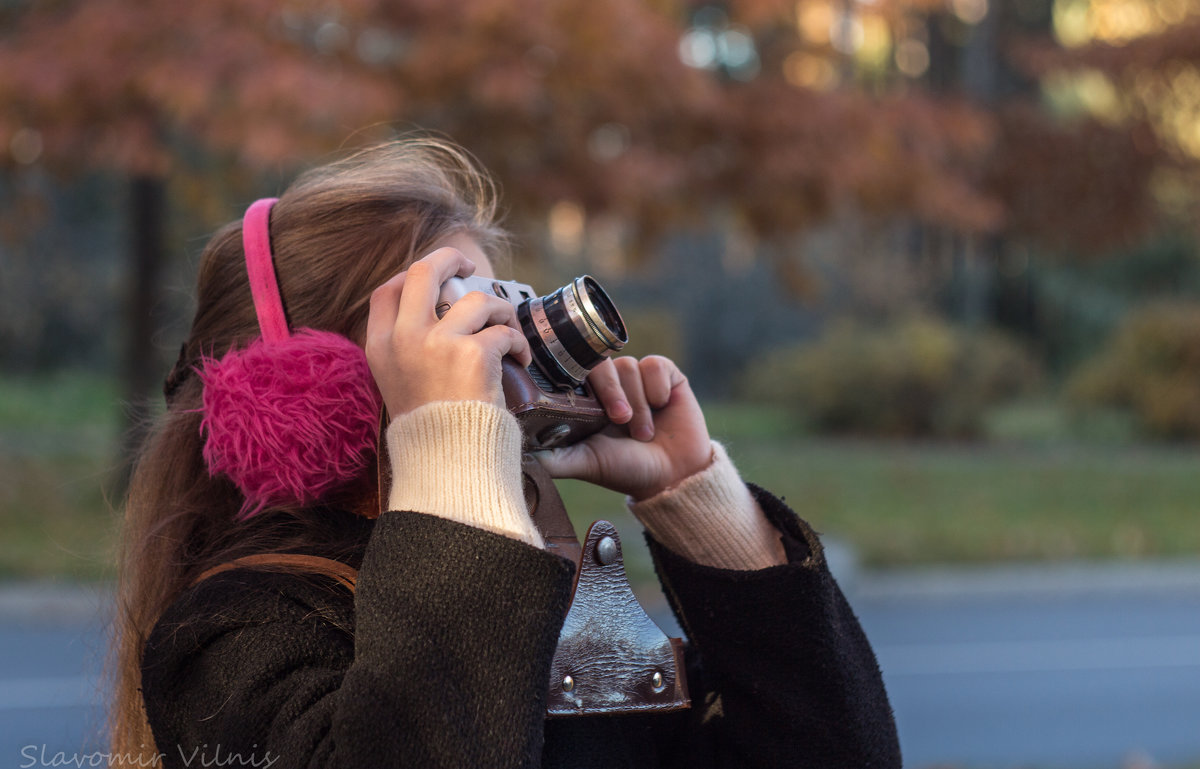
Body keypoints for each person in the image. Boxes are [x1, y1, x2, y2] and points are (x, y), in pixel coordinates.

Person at [111, 137, 902, 768]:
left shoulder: (546, 605)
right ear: (305, 391)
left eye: (501, 307)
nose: (506, 346)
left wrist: (705, 509)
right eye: (455, 317)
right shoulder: (230, 634)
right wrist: (453, 452)